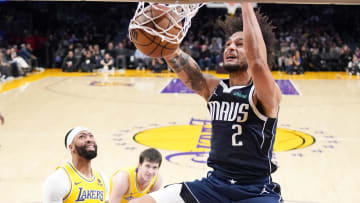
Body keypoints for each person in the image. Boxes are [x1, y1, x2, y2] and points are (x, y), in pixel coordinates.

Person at [130, 2, 282, 203]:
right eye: (227, 44)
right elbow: (173, 54)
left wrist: (245, 3)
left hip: (255, 190)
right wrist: (161, 33)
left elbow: (258, 64)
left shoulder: (265, 94)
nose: (230, 48)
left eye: (239, 44)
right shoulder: (213, 88)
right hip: (214, 186)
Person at [42, 126, 109, 203]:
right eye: (82, 137)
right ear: (71, 147)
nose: (89, 139)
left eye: (91, 136)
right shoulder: (58, 180)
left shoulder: (102, 178)